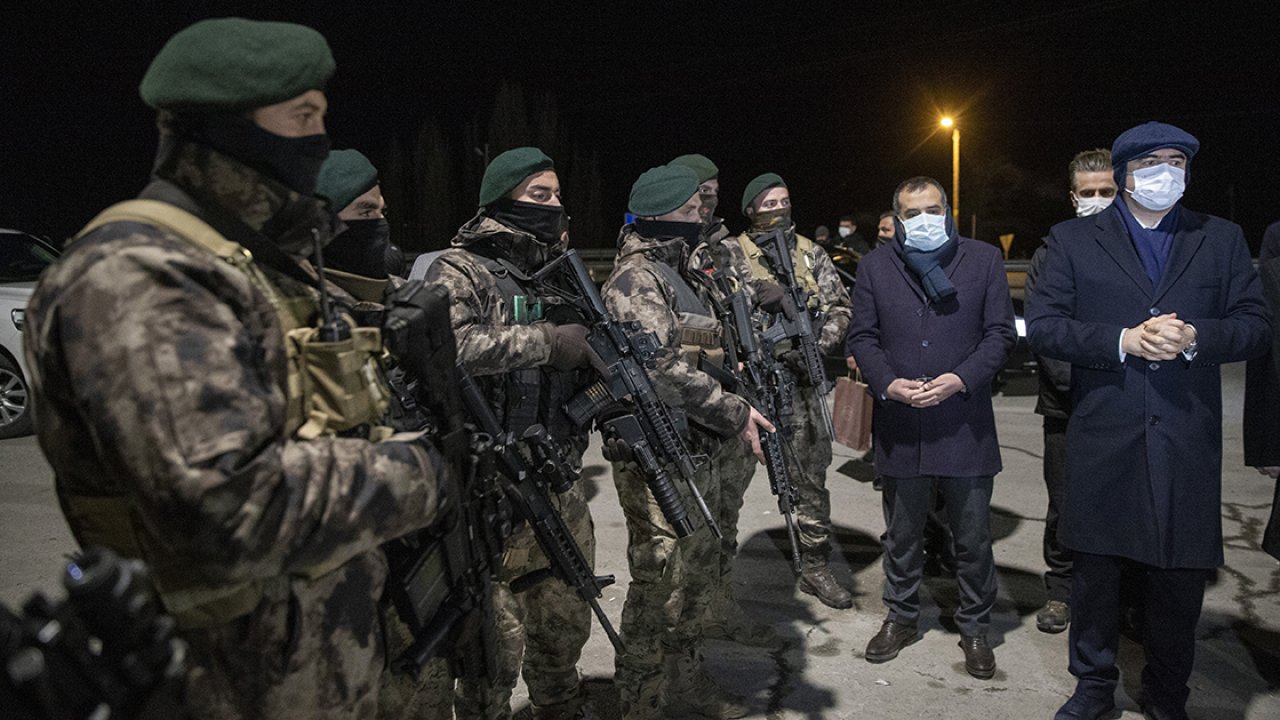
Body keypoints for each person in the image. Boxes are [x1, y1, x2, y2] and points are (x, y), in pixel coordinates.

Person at [22, 18, 453, 720]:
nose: (318, 139)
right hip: (225, 684)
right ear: (222, 128)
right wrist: (418, 475)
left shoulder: (249, 265)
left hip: (306, 671)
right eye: (301, 117)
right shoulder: (140, 277)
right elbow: (227, 504)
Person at [1026, 121, 1271, 720]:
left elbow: (1255, 324)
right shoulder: (1072, 240)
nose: (1168, 171)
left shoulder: (1221, 238)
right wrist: (1123, 339)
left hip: (1185, 435)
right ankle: (1091, 687)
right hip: (1105, 432)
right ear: (1126, 171)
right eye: (1154, 160)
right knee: (1096, 575)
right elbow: (1047, 324)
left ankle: (1168, 693)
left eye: (1178, 161)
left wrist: (1194, 337)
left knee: (1178, 580)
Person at [424, 147, 601, 720]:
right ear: (502, 199)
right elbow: (450, 348)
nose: (554, 204)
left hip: (559, 476)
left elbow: (592, 339)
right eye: (538, 195)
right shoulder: (461, 268)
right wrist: (548, 342)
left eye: (556, 194)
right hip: (491, 491)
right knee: (491, 650)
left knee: (564, 624)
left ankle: (561, 706)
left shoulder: (559, 266)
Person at [602, 163, 774, 720]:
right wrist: (734, 410)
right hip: (657, 456)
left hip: (697, 449)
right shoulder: (636, 279)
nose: (702, 218)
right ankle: (640, 701)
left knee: (696, 576)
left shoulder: (690, 271)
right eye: (690, 212)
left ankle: (686, 680)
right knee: (659, 584)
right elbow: (659, 368)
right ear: (658, 218)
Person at [846, 176, 1014, 680]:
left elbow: (1000, 334)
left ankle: (977, 628)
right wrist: (889, 384)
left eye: (932, 209)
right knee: (901, 534)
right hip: (901, 422)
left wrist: (960, 379)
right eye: (912, 212)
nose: (923, 219)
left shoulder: (983, 260)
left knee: (973, 537)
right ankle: (900, 617)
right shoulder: (877, 266)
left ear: (948, 210)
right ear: (897, 219)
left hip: (964, 421)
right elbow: (863, 335)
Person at [668, 153, 778, 648]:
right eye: (699, 190)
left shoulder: (725, 249)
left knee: (725, 518)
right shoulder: (672, 255)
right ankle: (689, 621)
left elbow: (742, 302)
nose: (709, 197)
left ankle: (718, 601)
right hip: (695, 414)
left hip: (737, 401)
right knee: (689, 535)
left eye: (714, 188)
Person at [731, 173, 854, 609]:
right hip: (749, 386)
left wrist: (815, 345)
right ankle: (719, 572)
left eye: (784, 200)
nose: (779, 209)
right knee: (728, 482)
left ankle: (815, 566)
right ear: (750, 210)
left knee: (809, 480)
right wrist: (752, 297)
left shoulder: (810, 253)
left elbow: (840, 306)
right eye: (768, 203)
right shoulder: (729, 255)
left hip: (800, 384)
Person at [1025, 148, 1118, 635]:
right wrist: (1080, 385)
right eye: (1089, 193)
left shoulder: (1136, 253)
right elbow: (1046, 331)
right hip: (1067, 406)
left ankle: (1119, 596)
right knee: (1064, 501)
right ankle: (1061, 591)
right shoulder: (1051, 253)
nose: (1098, 200)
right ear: (1072, 196)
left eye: (1107, 191)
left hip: (1126, 404)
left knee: (1122, 504)